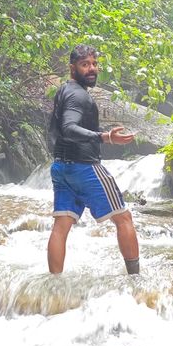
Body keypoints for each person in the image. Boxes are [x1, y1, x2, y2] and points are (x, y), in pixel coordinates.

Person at [47, 44, 140, 275]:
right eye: (85, 64)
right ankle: (136, 280)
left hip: (61, 167)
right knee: (124, 218)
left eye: (94, 64)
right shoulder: (79, 96)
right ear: (72, 68)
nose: (92, 69)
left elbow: (58, 128)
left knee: (61, 226)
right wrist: (104, 137)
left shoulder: (65, 91)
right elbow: (68, 128)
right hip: (84, 168)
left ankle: (54, 285)